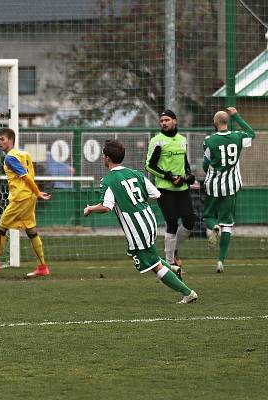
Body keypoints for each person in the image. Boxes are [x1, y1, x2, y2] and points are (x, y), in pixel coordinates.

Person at [84, 140, 198, 304]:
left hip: (136, 228)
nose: (103, 157)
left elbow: (106, 207)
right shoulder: (136, 173)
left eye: (103, 155)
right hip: (148, 220)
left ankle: (187, 292)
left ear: (107, 158)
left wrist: (89, 209)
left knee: (152, 265)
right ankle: (172, 269)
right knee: (146, 256)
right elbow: (156, 194)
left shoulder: (107, 181)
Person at [0, 128, 52, 278]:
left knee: (1, 228)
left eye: (2, 139)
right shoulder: (24, 154)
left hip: (20, 198)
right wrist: (35, 193)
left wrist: (37, 192)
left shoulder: (10, 158)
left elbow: (25, 177)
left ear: (11, 140)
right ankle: (42, 267)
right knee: (31, 230)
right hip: (29, 197)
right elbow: (30, 174)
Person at [203, 107, 255, 273]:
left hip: (213, 185)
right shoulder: (238, 137)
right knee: (228, 223)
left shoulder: (209, 140)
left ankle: (214, 227)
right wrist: (236, 116)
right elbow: (251, 133)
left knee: (208, 216)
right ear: (227, 122)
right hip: (231, 186)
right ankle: (220, 261)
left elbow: (205, 164)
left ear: (216, 123)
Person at [145, 110, 195, 269]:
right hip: (165, 189)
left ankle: (174, 250)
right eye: (161, 121)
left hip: (182, 188)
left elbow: (185, 163)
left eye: (167, 120)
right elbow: (149, 166)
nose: (164, 123)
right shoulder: (157, 141)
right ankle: (170, 262)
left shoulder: (182, 140)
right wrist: (169, 177)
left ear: (175, 121)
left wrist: (188, 175)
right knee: (171, 221)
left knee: (189, 221)